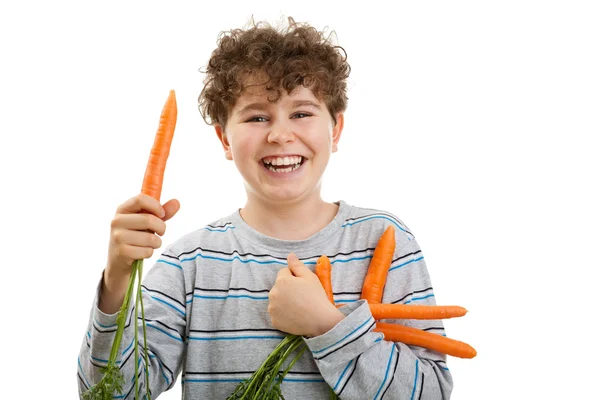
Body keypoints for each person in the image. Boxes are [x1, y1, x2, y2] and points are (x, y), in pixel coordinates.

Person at [77, 16, 454, 399]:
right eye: (257, 117)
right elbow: (110, 395)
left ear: (336, 130)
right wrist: (118, 280)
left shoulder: (383, 239)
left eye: (302, 113)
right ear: (224, 139)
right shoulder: (189, 264)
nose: (279, 134)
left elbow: (430, 393)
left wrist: (327, 326)